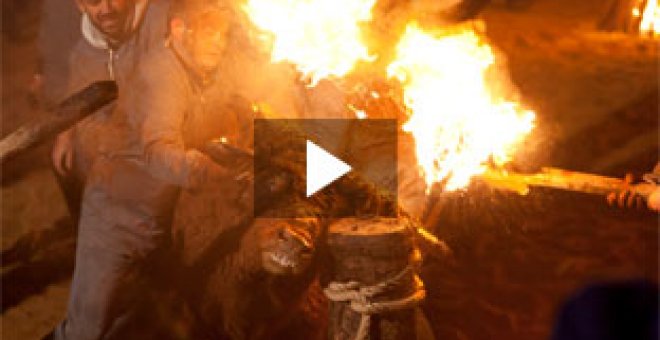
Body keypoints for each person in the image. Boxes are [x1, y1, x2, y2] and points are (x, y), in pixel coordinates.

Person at [48, 2, 243, 339]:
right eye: (208, 33)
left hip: (158, 222)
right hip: (116, 220)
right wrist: (209, 173)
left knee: (146, 318)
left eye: (221, 35)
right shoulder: (163, 77)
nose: (218, 43)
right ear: (180, 31)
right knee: (86, 330)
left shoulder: (197, 68)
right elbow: (158, 152)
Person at [51, 0, 171, 221]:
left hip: (164, 133)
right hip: (123, 141)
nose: (106, 9)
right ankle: (88, 232)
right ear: (81, 5)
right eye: (94, 1)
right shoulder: (85, 48)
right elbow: (77, 87)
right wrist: (65, 134)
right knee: (65, 160)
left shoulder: (162, 20)